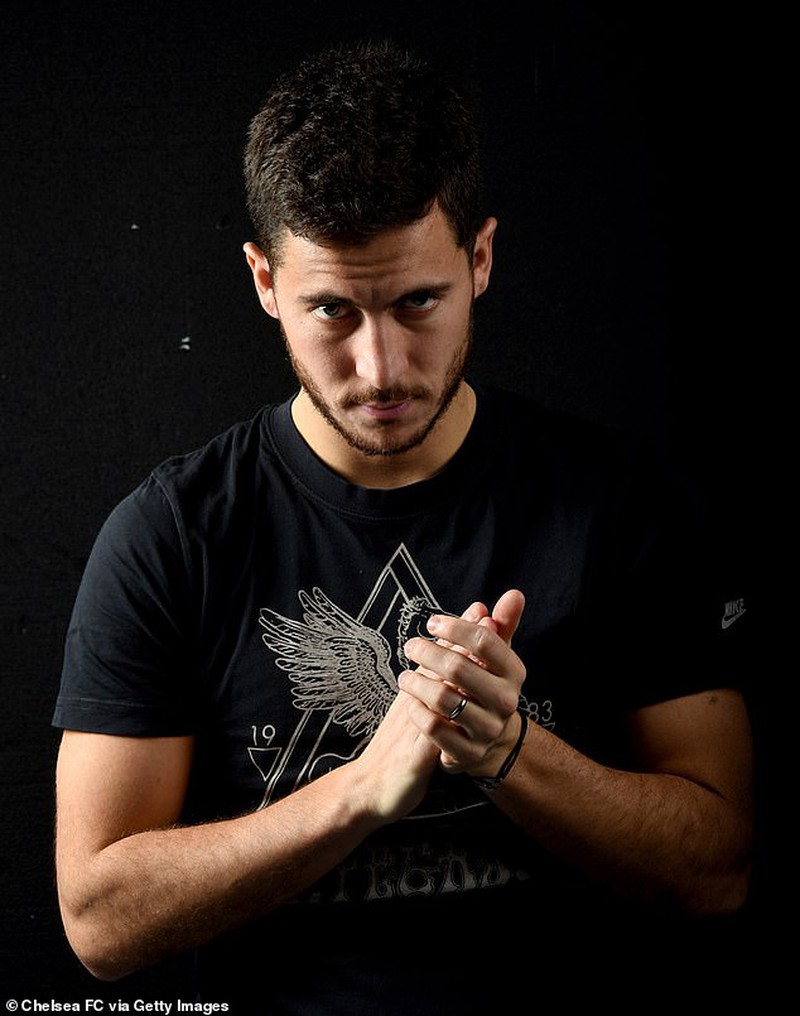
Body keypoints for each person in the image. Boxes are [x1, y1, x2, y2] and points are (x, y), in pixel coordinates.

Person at [53, 40, 753, 1012]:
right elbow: (99, 926)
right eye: (331, 310)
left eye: (418, 301)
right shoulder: (172, 536)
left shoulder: (621, 505)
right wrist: (359, 788)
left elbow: (720, 869)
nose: (380, 368)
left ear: (481, 258)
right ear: (263, 281)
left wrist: (509, 752)